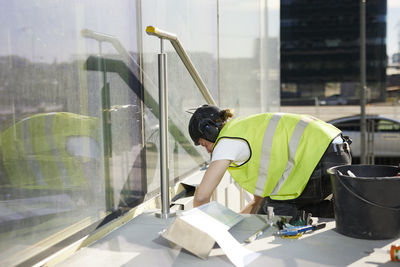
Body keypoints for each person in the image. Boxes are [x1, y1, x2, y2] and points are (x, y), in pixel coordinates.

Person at [188, 105, 352, 217]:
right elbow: (258, 202)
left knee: (277, 212)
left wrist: (200, 229)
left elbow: (202, 197)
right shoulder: (244, 132)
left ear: (210, 131)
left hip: (321, 157)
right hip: (335, 151)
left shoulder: (226, 142)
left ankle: (342, 212)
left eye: (204, 144)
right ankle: (340, 210)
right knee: (272, 207)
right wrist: (236, 225)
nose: (209, 150)